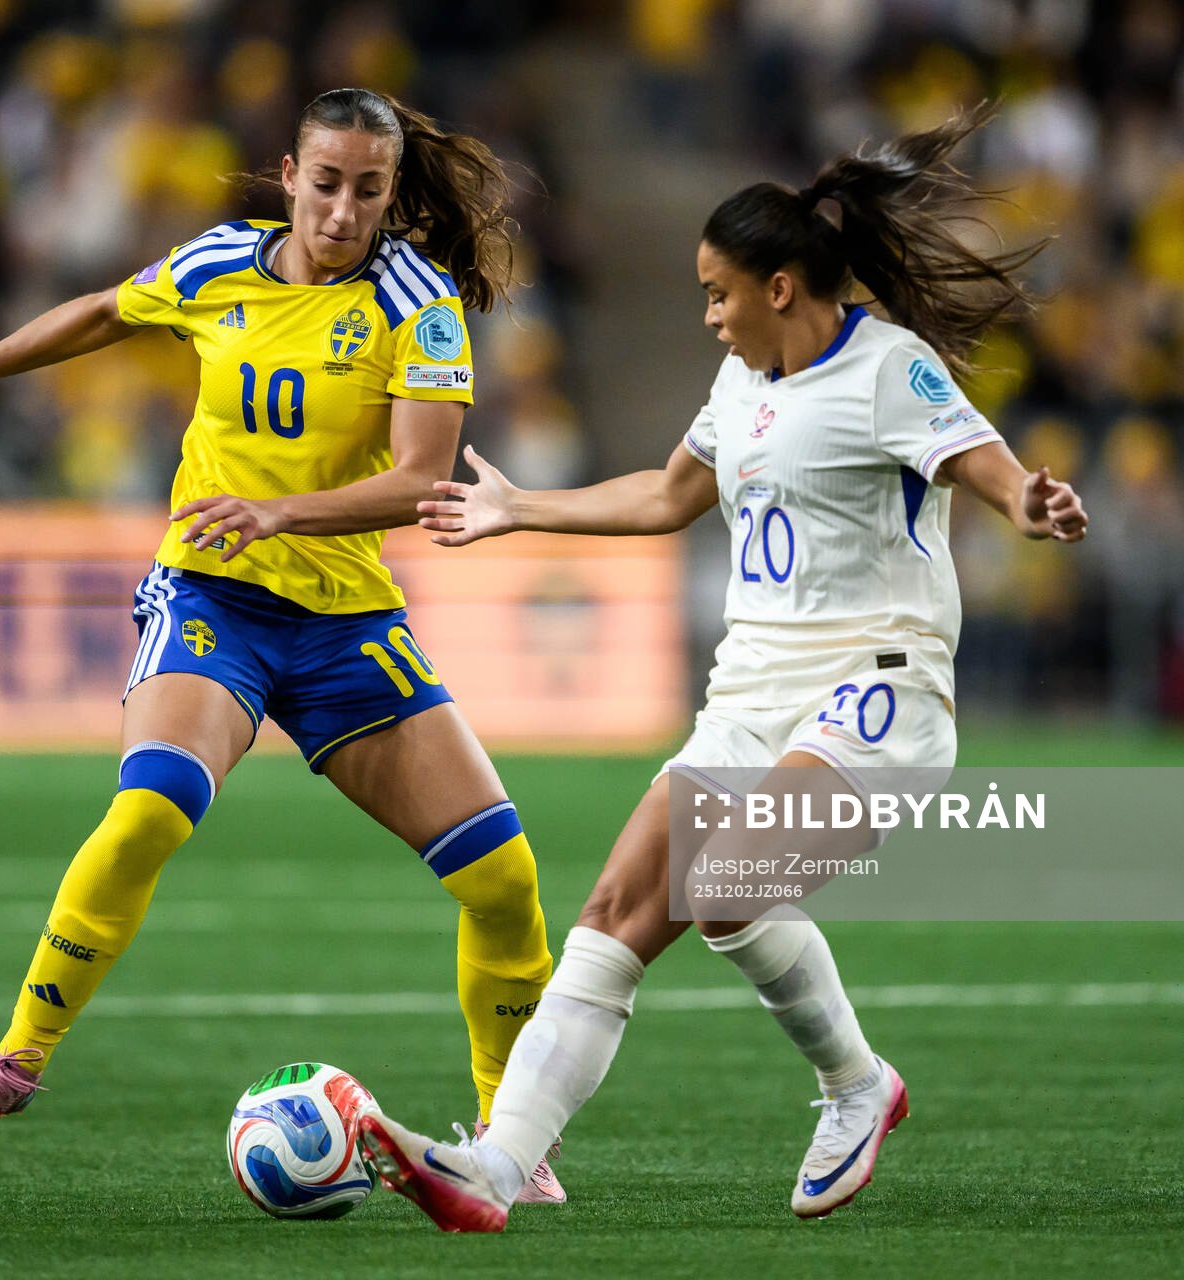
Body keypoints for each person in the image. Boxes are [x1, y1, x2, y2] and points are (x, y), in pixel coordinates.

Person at [356, 104, 1088, 1231]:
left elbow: (992, 474)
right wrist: (518, 508)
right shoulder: (744, 386)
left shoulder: (893, 369)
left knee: (734, 887)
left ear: (782, 286)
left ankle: (858, 1084)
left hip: (878, 690)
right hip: (749, 694)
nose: (707, 316)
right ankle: (494, 1166)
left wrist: (1033, 505)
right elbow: (665, 493)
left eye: (718, 292)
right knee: (614, 909)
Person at [0, 88, 566, 1203]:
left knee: (504, 878)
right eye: (326, 183)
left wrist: (286, 512)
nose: (342, 210)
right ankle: (17, 1059)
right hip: (213, 600)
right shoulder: (218, 263)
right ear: (289, 173)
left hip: (345, 622)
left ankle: (507, 1142)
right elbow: (103, 312)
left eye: (368, 190)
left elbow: (420, 476)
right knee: (150, 806)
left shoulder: (420, 306)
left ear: (390, 194)